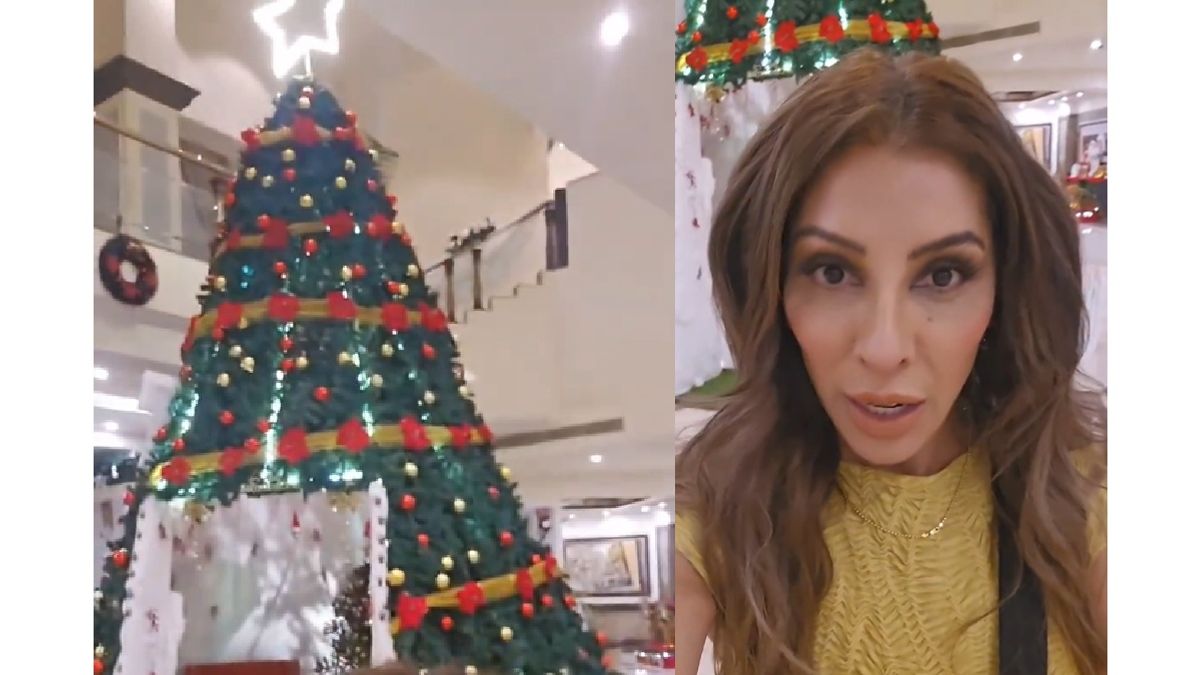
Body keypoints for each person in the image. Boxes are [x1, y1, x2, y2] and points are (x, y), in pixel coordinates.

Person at [674, 48, 1106, 675]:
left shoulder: (1084, 501)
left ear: (1005, 288)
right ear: (771, 285)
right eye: (832, 272)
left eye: (943, 275)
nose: (884, 348)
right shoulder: (716, 514)